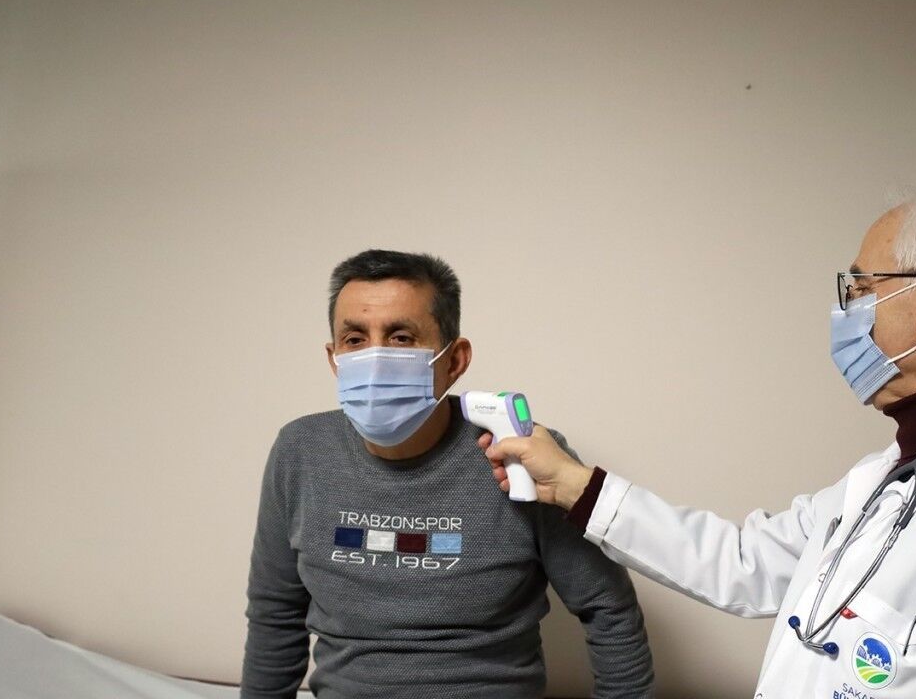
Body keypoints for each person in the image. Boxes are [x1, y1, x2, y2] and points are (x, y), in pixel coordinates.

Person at [482, 181, 916, 698]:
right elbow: (743, 563)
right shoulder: (884, 478)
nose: (844, 312)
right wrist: (571, 484)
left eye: (859, 288)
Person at [241, 250, 654, 699]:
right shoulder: (300, 451)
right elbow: (275, 614)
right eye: (355, 339)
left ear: (454, 360)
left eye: (401, 337)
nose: (375, 358)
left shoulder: (523, 456)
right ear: (334, 357)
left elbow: (609, 610)